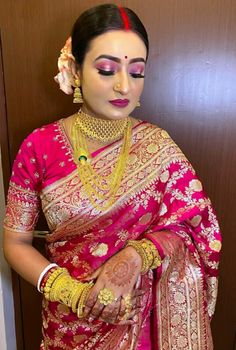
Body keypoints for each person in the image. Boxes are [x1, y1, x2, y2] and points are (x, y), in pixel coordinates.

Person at [3, 3, 221, 350]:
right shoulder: (38, 147)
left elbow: (194, 226)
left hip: (141, 321)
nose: (124, 86)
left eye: (136, 72)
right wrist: (75, 295)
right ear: (75, 70)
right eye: (107, 69)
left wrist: (133, 257)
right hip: (68, 326)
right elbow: (14, 244)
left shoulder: (158, 146)